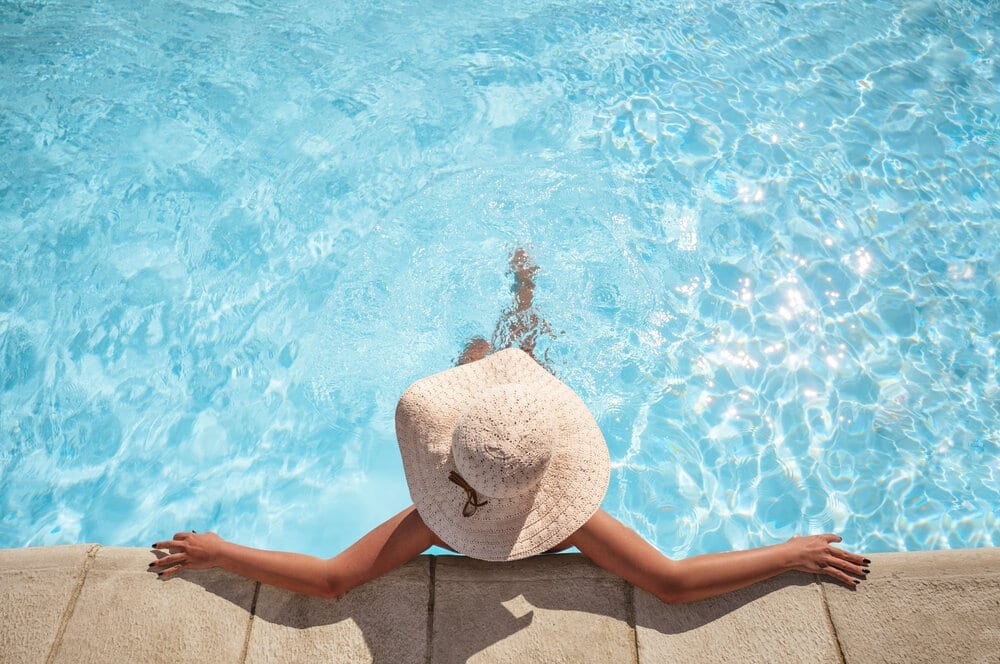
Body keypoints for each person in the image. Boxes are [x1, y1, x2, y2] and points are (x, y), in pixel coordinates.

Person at [151, 248, 870, 602]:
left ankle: (509, 316)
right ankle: (523, 296)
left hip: (490, 436)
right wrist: (788, 552)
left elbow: (335, 579)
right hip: (510, 437)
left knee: (486, 360)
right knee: (517, 358)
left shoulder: (435, 521)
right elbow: (672, 583)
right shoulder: (572, 522)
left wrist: (222, 552)